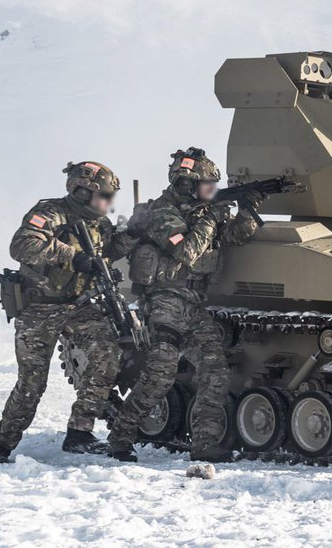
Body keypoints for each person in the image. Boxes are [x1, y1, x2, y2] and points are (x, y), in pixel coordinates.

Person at [106, 148, 261, 463]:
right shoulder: (162, 213)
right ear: (186, 184)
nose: (212, 190)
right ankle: (120, 436)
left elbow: (237, 236)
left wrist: (248, 208)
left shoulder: (202, 213)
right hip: (164, 302)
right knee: (160, 376)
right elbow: (187, 253)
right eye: (207, 185)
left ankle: (204, 444)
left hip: (193, 305)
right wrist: (213, 216)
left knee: (216, 372)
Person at [0, 162, 135, 464]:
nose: (109, 202)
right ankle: (2, 443)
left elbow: (109, 252)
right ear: (82, 191)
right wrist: (72, 256)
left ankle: (79, 432)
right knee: (32, 383)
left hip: (78, 305)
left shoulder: (100, 224)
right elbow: (22, 245)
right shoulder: (51, 213)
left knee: (107, 354)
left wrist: (133, 233)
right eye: (105, 196)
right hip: (39, 307)